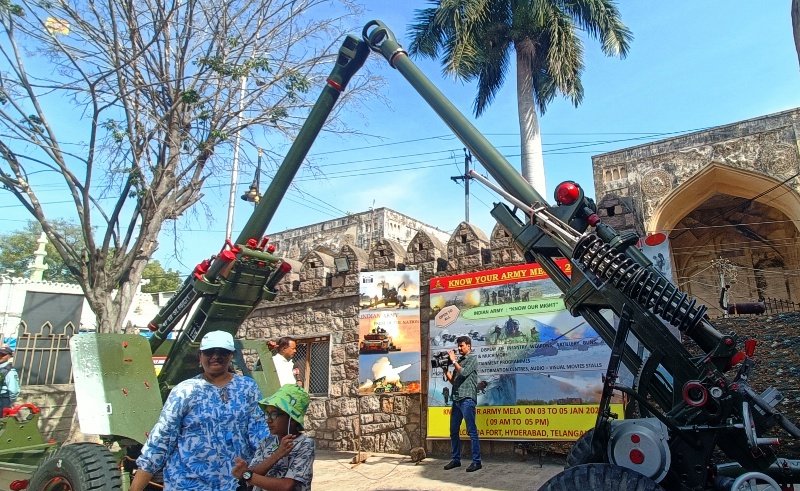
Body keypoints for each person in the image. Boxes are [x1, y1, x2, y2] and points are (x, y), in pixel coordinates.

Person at [130, 330, 268, 491]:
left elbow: (259, 434)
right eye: (209, 352)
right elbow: (162, 440)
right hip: (188, 483)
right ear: (200, 356)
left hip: (234, 484)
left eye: (222, 352)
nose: (215, 356)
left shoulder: (247, 388)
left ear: (231, 355)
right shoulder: (184, 391)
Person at [232, 384, 314, 491]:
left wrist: (247, 475)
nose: (268, 420)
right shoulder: (266, 442)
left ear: (292, 419)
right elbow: (254, 471)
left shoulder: (305, 444)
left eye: (274, 414)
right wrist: (277, 454)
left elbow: (286, 486)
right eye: (267, 414)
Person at [442, 335, 481, 472]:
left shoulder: (472, 359)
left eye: (461, 346)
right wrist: (445, 369)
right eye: (458, 346)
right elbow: (454, 381)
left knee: (472, 431)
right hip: (457, 399)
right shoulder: (459, 361)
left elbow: (463, 373)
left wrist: (453, 361)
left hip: (467, 399)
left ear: (468, 346)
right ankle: (456, 459)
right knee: (453, 431)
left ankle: (477, 462)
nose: (459, 348)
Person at [0, 346, 20, 412]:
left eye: (3, 354)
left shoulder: (10, 372)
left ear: (9, 356)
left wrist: (9, 402)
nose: (1, 356)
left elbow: (14, 391)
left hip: (3, 400)